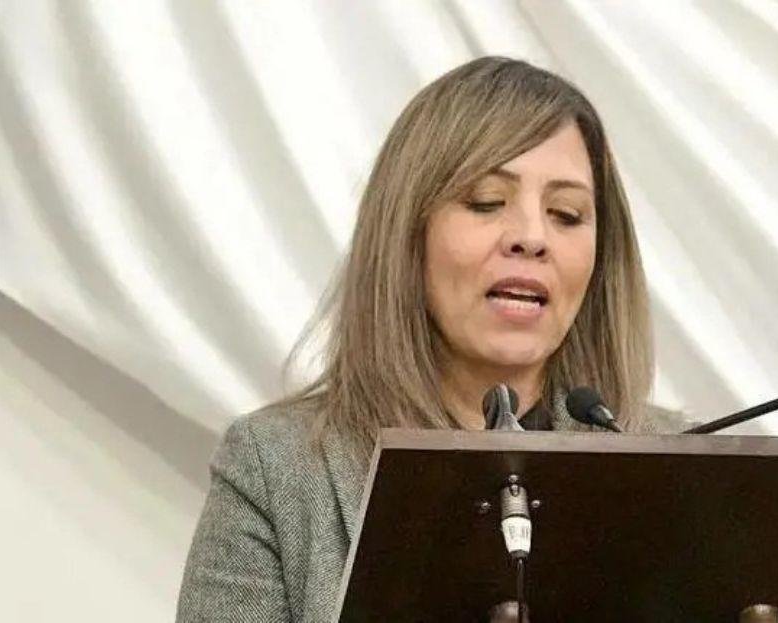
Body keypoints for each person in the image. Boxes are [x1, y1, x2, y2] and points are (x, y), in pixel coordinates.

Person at [175, 55, 690, 622]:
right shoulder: (274, 467)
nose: (531, 236)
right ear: (408, 233)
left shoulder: (685, 465)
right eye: (486, 202)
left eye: (566, 214)